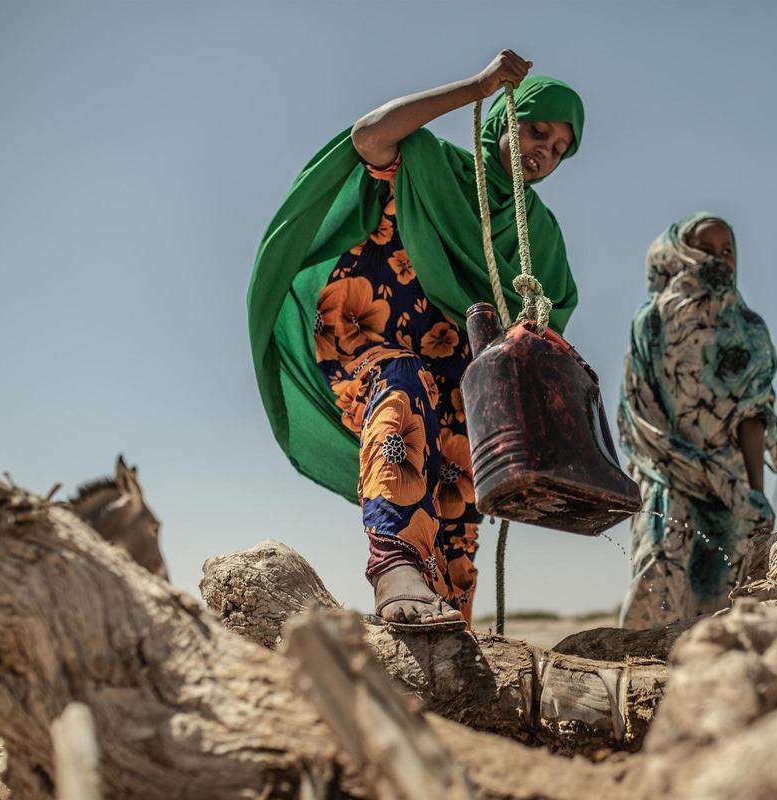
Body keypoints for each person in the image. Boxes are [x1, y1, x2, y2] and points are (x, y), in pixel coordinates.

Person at [247, 51, 584, 629]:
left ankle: (443, 634)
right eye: (537, 130)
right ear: (506, 116)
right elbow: (368, 135)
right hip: (369, 336)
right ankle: (392, 565)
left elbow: (548, 318)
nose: (543, 153)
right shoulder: (431, 163)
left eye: (558, 150)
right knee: (401, 388)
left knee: (458, 493)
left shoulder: (541, 233)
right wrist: (477, 86)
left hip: (462, 374)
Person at [618, 213, 777, 628]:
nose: (719, 259)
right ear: (680, 255)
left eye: (727, 251)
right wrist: (677, 463)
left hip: (728, 483)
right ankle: (644, 679)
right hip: (664, 471)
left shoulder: (748, 328)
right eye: (706, 250)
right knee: (658, 570)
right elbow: (640, 408)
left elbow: (753, 412)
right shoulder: (651, 321)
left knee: (730, 588)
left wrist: (754, 495)